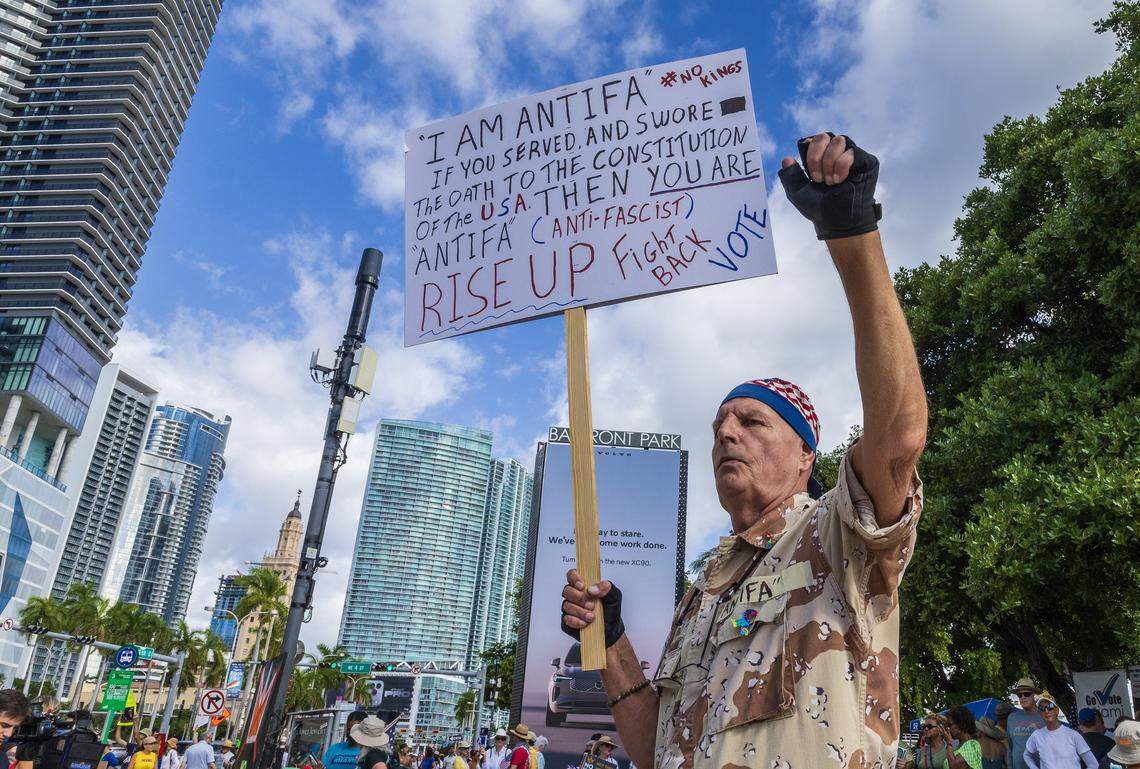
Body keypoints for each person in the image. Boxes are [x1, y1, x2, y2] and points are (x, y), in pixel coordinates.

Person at [561, 132, 928, 769]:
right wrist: (612, 639)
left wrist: (851, 234)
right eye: (718, 426)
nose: (726, 434)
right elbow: (653, 750)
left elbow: (898, 441)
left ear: (806, 454)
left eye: (753, 422)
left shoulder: (835, 535)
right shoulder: (702, 590)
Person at [1024, 693, 1097, 769]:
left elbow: (1093, 764)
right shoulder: (1037, 735)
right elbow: (1026, 755)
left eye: (1050, 707)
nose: (1047, 711)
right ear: (1040, 713)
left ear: (1057, 711)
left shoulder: (1073, 735)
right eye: (1042, 708)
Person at [1009, 679, 1047, 769]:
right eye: (1019, 695)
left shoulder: (1046, 716)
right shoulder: (1011, 718)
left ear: (1034, 694)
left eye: (1026, 694)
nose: (1023, 697)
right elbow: (1010, 747)